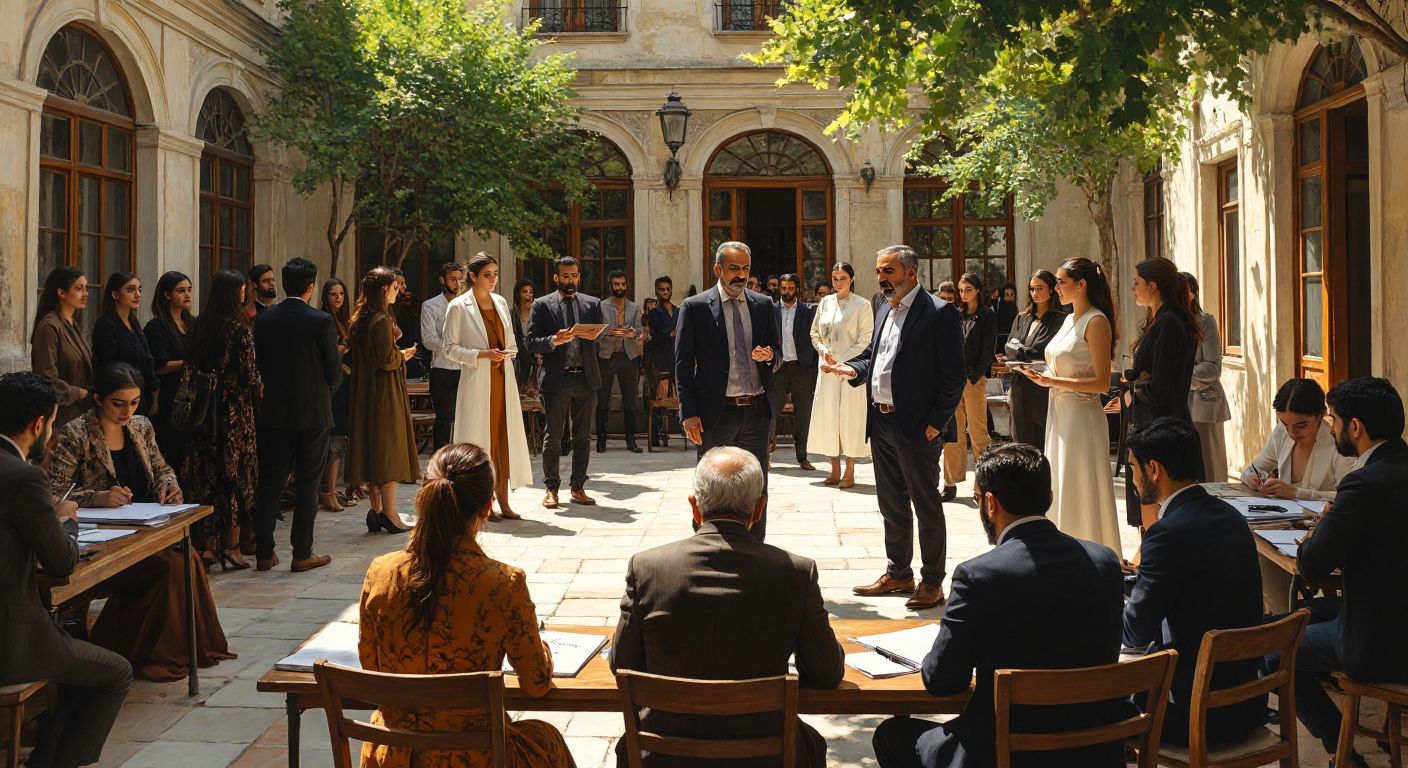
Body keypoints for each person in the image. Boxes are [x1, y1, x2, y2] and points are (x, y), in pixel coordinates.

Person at [872, 443, 1127, 768]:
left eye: (978, 499)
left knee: (893, 735)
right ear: (1048, 498)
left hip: (1007, 753)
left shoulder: (978, 576)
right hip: (1093, 749)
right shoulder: (1105, 562)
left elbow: (941, 681)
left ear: (990, 503)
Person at [611, 446, 843, 768]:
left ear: (695, 507)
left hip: (666, 755)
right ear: (759, 509)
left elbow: (621, 662)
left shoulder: (647, 568)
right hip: (766, 758)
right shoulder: (795, 573)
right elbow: (827, 672)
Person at [359, 443, 573, 768]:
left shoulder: (381, 573)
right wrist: (539, 646)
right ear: (487, 508)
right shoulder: (502, 584)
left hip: (397, 754)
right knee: (546, 738)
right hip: (476, 757)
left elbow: (371, 667)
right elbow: (536, 681)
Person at [49, 363, 234, 677]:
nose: (126, 411)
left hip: (147, 525)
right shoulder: (76, 433)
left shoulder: (141, 426)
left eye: (133, 402)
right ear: (98, 399)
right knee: (174, 565)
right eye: (118, 403)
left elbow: (162, 469)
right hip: (106, 537)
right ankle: (156, 656)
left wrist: (168, 487)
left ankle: (183, 649)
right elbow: (55, 491)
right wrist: (97, 496)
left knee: (186, 558)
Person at [0, 372, 131, 768]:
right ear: (39, 425)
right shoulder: (25, 478)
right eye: (53, 424)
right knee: (117, 672)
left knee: (75, 643)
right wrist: (63, 520)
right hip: (11, 642)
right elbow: (62, 560)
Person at [824, 245, 964, 610]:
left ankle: (932, 581)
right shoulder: (884, 308)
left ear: (911, 273)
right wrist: (851, 369)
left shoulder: (939, 312)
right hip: (882, 421)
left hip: (918, 426)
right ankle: (899, 572)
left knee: (925, 504)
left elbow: (954, 376)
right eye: (879, 271)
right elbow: (875, 356)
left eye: (888, 271)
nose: (882, 278)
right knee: (891, 504)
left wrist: (936, 424)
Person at [1122, 417, 1265, 747]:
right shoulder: (1232, 517)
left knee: (1096, 706)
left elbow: (1136, 633)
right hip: (1248, 707)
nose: (1132, 478)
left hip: (1198, 717)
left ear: (1153, 469)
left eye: (1133, 468)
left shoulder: (1165, 534)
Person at [1289, 377, 1408, 764]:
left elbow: (1311, 565)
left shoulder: (1362, 485)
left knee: (1274, 650)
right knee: (1296, 617)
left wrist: (1324, 525)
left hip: (1378, 641)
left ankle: (1343, 752)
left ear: (1355, 427)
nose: (1331, 427)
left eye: (1334, 419)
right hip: (1392, 615)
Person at [675, 242, 780, 540]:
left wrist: (769, 356)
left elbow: (778, 352)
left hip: (756, 412)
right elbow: (683, 365)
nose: (741, 275)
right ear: (718, 269)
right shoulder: (695, 307)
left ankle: (754, 551)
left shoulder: (762, 305)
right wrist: (689, 413)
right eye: (734, 268)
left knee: (756, 486)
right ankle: (705, 551)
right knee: (711, 487)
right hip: (714, 414)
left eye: (746, 268)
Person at [1019, 257, 1123, 556]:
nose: (1057, 288)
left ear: (1082, 285)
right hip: (1059, 412)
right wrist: (1043, 377)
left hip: (1082, 416)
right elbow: (1066, 369)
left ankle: (1091, 554)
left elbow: (1102, 383)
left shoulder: (1096, 321)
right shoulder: (1068, 319)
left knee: (1080, 485)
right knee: (1061, 484)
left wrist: (1054, 381)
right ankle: (1063, 553)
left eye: (1062, 282)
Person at [252, 258, 342, 573]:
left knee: (271, 481)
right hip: (313, 414)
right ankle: (302, 552)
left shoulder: (264, 320)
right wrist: (323, 394)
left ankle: (264, 551)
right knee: (307, 483)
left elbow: (260, 365)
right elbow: (334, 371)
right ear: (310, 286)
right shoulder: (320, 321)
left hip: (274, 412)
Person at [179, 270, 261, 568]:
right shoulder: (239, 330)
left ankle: (209, 545)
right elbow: (251, 376)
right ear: (234, 292)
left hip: (203, 414)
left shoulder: (199, 326)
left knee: (208, 479)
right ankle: (232, 545)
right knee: (236, 478)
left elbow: (189, 370)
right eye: (241, 289)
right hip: (234, 414)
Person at [443, 253, 532, 521]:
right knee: (482, 445)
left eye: (495, 273)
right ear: (473, 276)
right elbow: (449, 349)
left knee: (504, 443)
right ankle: (484, 504)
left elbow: (512, 340)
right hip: (478, 384)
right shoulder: (458, 306)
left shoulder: (502, 302)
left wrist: (509, 353)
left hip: (503, 382)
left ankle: (504, 501)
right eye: (487, 274)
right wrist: (481, 355)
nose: (493, 279)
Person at [1120, 258, 1199, 529]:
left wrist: (1135, 389)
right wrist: (1137, 378)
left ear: (1152, 286)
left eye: (1136, 283)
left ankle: (1151, 560)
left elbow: (1162, 387)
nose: (1133, 289)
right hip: (1154, 423)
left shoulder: (1169, 324)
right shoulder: (1160, 320)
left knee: (1158, 507)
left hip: (1162, 428)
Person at [526, 256, 604, 509]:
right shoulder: (542, 305)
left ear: (579, 276)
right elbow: (530, 342)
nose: (571, 280)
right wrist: (553, 340)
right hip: (557, 380)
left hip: (585, 377)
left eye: (574, 276)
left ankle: (578, 487)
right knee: (553, 437)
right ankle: (551, 488)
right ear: (556, 278)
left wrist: (594, 334)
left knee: (583, 438)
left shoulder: (592, 304)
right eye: (566, 276)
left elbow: (597, 340)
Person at [347, 266, 419, 534]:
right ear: (382, 290)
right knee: (389, 450)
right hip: (384, 394)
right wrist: (404, 355)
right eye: (393, 287)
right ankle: (390, 514)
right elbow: (386, 360)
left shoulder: (365, 319)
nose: (397, 291)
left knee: (374, 450)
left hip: (368, 392)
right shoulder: (378, 320)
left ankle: (376, 511)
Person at [808, 262, 874, 487]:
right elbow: (815, 332)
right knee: (829, 417)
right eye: (835, 278)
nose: (838, 282)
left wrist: (842, 361)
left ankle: (850, 470)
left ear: (852, 279)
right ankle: (834, 468)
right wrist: (823, 350)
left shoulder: (862, 305)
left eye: (842, 278)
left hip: (849, 370)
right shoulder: (825, 303)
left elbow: (865, 338)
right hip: (826, 370)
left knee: (850, 417)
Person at [1240, 378, 1353, 502]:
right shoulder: (1281, 431)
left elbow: (1350, 496)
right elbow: (1253, 469)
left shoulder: (1339, 444)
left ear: (1321, 414)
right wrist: (1253, 478)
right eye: (1284, 423)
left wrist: (1297, 493)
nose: (1291, 432)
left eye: (1301, 425)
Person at [941, 272, 996, 500]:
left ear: (977, 290)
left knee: (978, 432)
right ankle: (950, 482)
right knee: (953, 433)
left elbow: (988, 351)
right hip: (953, 380)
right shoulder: (956, 314)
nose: (963, 295)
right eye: (961, 291)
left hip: (973, 381)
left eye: (968, 290)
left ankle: (981, 484)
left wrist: (973, 377)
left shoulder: (987, 315)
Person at [1001, 269, 1063, 451]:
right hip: (1019, 385)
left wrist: (1021, 351)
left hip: (1043, 387)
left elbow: (1041, 351)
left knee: (1043, 440)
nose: (1035, 293)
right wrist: (1022, 353)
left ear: (1051, 289)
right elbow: (1008, 346)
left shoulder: (1061, 319)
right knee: (1021, 440)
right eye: (1032, 288)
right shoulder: (1022, 318)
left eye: (1040, 288)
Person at [1180, 272, 1231, 482]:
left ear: (1192, 294)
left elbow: (1212, 367)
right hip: (1178, 404)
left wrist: (1178, 377)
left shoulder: (1205, 322)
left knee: (1211, 466)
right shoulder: (1165, 322)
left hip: (1204, 403)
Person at [31, 266, 94, 429]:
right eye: (79, 288)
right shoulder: (49, 326)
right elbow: (45, 379)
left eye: (85, 288)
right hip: (60, 418)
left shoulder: (73, 324)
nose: (86, 294)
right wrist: (78, 393)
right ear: (61, 293)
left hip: (80, 415)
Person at [143, 271, 194, 469]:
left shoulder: (192, 324)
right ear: (167, 295)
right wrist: (188, 362)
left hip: (191, 400)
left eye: (189, 290)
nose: (187, 295)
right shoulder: (156, 327)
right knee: (170, 455)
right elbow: (156, 366)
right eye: (181, 291)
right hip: (167, 400)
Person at [769, 273, 818, 469]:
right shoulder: (770, 310)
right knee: (771, 412)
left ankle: (802, 456)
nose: (787, 292)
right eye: (784, 288)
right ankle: (766, 456)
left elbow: (815, 339)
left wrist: (812, 367)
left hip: (801, 368)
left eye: (790, 288)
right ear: (779, 288)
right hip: (778, 368)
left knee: (804, 413)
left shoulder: (807, 312)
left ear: (797, 289)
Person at [91, 271, 157, 417]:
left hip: (141, 398)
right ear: (115, 294)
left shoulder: (134, 322)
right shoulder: (106, 325)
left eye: (139, 289)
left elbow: (147, 359)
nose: (138, 294)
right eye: (130, 290)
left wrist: (154, 392)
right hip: (120, 401)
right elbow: (107, 367)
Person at [595, 269, 644, 454]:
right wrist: (607, 332)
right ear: (611, 285)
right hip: (607, 355)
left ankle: (631, 440)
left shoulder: (634, 307)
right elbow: (596, 332)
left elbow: (639, 330)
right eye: (617, 284)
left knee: (630, 402)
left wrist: (634, 333)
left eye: (623, 284)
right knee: (603, 400)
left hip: (628, 356)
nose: (620, 287)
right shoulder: (601, 306)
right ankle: (601, 440)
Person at [318, 278, 355, 512]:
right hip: (332, 388)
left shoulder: (344, 321)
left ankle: (332, 490)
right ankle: (327, 491)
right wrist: (341, 350)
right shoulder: (325, 322)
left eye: (341, 293)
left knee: (340, 440)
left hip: (345, 387)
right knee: (333, 441)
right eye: (333, 294)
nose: (338, 298)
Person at [420, 261, 465, 450]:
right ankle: (440, 459)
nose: (456, 283)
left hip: (464, 367)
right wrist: (453, 346)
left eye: (459, 280)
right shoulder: (430, 306)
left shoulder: (467, 305)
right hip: (441, 369)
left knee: (466, 416)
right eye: (452, 279)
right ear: (442, 280)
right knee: (443, 418)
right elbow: (428, 340)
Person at [645, 276, 678, 444]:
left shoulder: (679, 310)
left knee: (674, 397)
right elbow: (653, 338)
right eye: (661, 289)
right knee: (657, 396)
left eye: (667, 289)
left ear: (671, 289)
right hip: (658, 359)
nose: (665, 292)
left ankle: (671, 431)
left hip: (675, 358)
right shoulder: (654, 313)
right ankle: (655, 434)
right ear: (656, 290)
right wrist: (668, 334)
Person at [510, 278, 537, 391]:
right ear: (518, 294)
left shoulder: (537, 313)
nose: (528, 295)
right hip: (517, 363)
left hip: (534, 363)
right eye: (525, 291)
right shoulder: (511, 315)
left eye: (531, 292)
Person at [990, 281, 1019, 352]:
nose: (1010, 298)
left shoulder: (1016, 308)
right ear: (1003, 296)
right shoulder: (997, 306)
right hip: (999, 344)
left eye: (1012, 295)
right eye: (1007, 295)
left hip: (1013, 343)